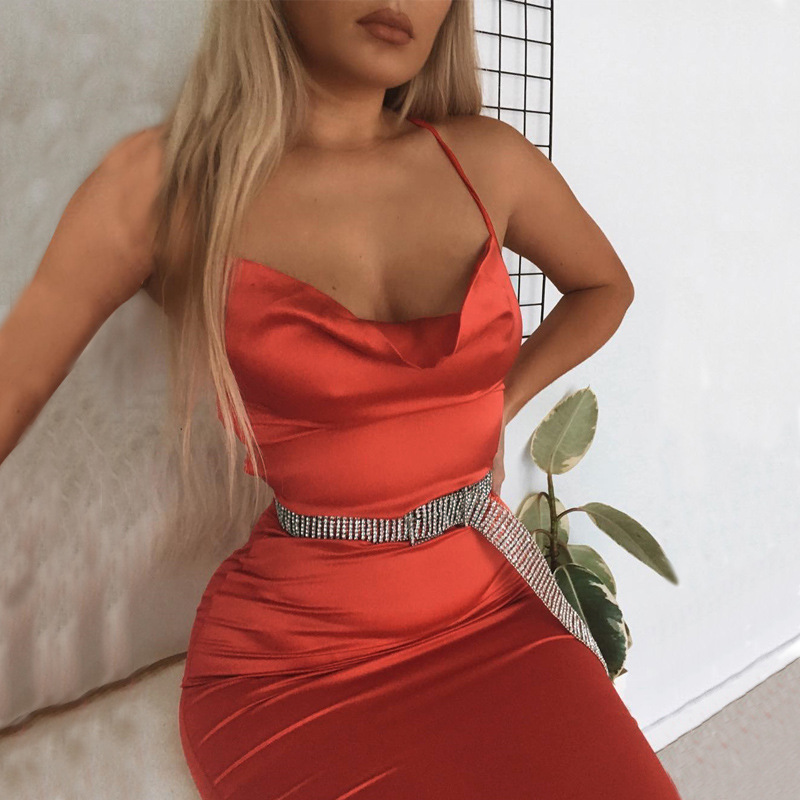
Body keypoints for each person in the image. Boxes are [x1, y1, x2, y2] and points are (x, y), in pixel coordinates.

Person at [0, 1, 683, 798]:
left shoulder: (489, 161)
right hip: (299, 664)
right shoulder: (165, 185)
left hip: (493, 612)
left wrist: (497, 405)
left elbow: (605, 287)